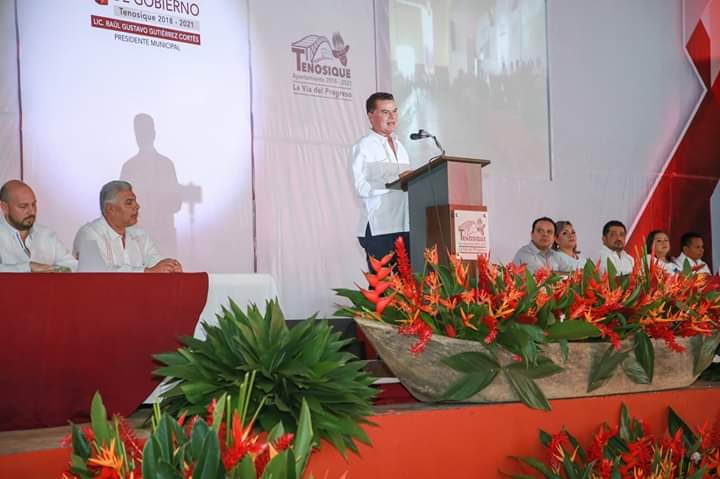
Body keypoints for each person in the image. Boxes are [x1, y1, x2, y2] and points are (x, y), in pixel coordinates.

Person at [352, 92, 411, 268]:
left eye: (395, 111)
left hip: (405, 227)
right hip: (379, 229)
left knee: (407, 284)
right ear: (371, 116)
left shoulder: (401, 147)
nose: (392, 117)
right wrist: (392, 183)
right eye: (385, 112)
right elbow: (360, 188)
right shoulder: (363, 147)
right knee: (383, 284)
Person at [73, 180, 183, 273]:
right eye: (129, 203)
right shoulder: (89, 233)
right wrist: (146, 272)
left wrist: (169, 266)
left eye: (135, 201)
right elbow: (97, 271)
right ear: (110, 209)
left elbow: (154, 260)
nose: (137, 206)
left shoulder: (140, 235)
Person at [0, 180, 77, 272]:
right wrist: (29, 268)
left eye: (33, 204)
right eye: (23, 206)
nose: (31, 211)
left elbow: (73, 265)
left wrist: (56, 270)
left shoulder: (46, 234)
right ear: (5, 207)